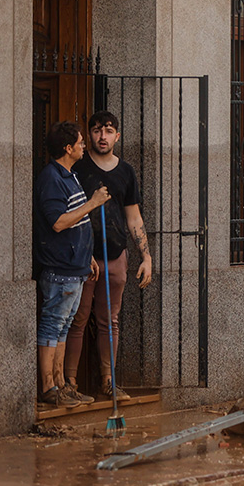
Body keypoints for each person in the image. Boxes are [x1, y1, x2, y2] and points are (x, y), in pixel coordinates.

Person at [65, 111, 152, 403]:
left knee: (109, 321)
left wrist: (146, 256)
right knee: (77, 319)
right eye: (97, 131)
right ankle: (69, 384)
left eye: (109, 131)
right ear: (88, 134)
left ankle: (108, 382)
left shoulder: (126, 171)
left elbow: (134, 217)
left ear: (117, 136)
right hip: (83, 257)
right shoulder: (78, 167)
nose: (102, 137)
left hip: (116, 255)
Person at [34, 121, 110, 408]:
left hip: (75, 267)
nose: (83, 145)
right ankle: (48, 387)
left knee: (63, 326)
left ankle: (61, 385)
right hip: (60, 270)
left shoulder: (69, 175)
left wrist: (87, 255)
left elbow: (75, 221)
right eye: (79, 142)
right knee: (53, 325)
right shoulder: (52, 178)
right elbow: (58, 222)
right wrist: (93, 203)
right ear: (68, 148)